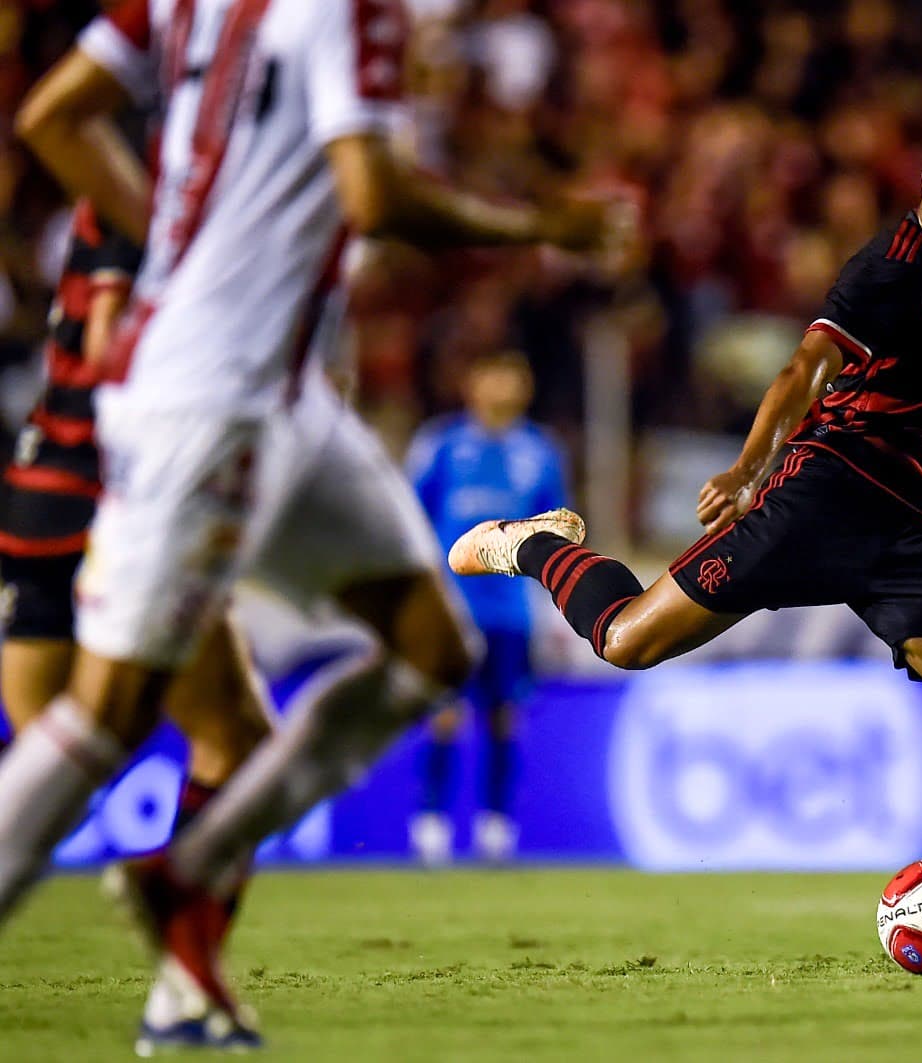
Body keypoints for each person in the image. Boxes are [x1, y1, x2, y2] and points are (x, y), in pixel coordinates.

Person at [1, 0, 629, 1048]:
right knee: (106, 715)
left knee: (434, 648)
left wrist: (170, 246)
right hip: (207, 400)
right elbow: (372, 195)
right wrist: (540, 227)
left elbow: (53, 117)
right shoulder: (352, 11)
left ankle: (184, 869)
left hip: (284, 400)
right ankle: (184, 905)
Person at [452, 115, 922, 964]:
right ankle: (535, 544)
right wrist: (744, 469)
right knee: (624, 640)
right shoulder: (887, 272)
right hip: (817, 502)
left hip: (913, 536)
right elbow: (803, 369)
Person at [0, 196, 276, 1051]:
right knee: (235, 740)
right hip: (131, 488)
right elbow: (108, 338)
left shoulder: (118, 169)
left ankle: (184, 989)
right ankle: (182, 992)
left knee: (50, 754)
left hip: (42, 486)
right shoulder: (164, 169)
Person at [406, 350, 567, 864]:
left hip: (512, 612)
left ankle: (496, 826)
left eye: (514, 377)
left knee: (503, 717)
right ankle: (431, 823)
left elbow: (556, 525)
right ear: (473, 384)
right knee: (445, 715)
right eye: (494, 376)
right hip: (452, 608)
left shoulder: (539, 451)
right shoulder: (442, 445)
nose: (504, 387)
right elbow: (411, 515)